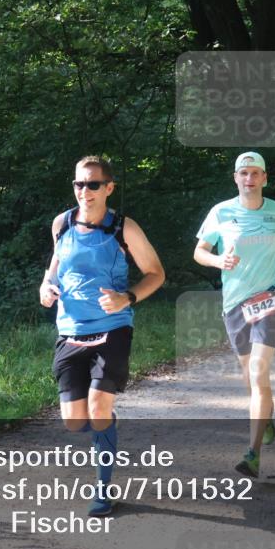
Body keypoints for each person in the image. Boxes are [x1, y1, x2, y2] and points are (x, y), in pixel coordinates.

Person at [40, 155, 165, 516]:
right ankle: (105, 429)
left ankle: (102, 489)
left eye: (93, 184)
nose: (85, 191)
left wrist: (127, 297)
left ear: (109, 188)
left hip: (113, 328)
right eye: (79, 184)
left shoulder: (124, 229)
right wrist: (46, 287)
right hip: (70, 331)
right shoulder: (61, 223)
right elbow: (55, 267)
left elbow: (156, 273)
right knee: (75, 420)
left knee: (98, 407)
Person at [193, 151, 275, 478]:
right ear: (236, 177)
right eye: (244, 173)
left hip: (270, 296)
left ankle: (252, 453)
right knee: (251, 378)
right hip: (235, 304)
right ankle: (265, 414)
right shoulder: (221, 212)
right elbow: (199, 252)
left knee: (257, 371)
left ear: (264, 178)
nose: (250, 179)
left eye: (256, 173)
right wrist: (218, 262)